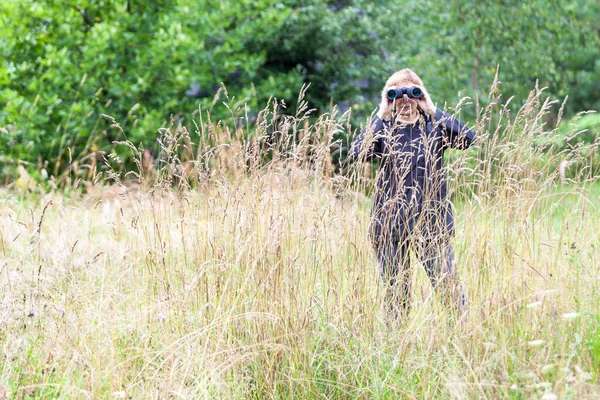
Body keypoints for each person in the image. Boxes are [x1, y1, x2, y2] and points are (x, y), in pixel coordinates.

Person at [349, 68, 475, 321]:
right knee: (397, 297)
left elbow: (468, 139)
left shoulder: (436, 126)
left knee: (450, 292)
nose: (405, 99)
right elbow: (357, 153)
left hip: (432, 224)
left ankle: (465, 342)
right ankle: (397, 350)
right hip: (389, 226)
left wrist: (431, 108)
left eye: (412, 92)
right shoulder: (383, 129)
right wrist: (380, 114)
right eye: (397, 94)